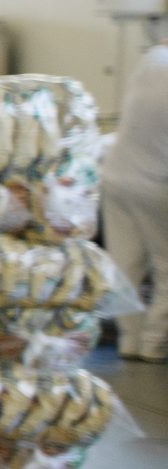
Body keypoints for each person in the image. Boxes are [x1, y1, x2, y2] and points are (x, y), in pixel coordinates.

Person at [102, 36, 168, 360]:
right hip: (156, 183)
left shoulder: (151, 60)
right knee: (166, 265)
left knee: (124, 264)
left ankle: (130, 340)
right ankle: (155, 344)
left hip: (116, 175)